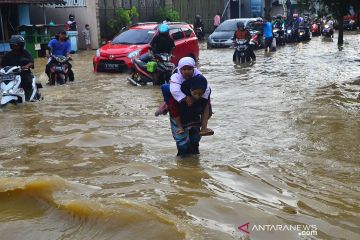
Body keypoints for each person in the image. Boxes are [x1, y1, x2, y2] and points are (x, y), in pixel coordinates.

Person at [155, 57, 213, 137]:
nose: (187, 71)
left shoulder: (199, 76)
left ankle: (204, 127)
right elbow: (174, 90)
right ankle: (166, 104)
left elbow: (206, 89)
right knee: (166, 90)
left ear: (193, 69)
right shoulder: (176, 76)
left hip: (194, 92)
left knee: (207, 103)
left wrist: (201, 99)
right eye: (184, 69)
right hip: (179, 91)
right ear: (180, 69)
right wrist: (185, 98)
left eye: (189, 69)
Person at [0, 35, 34, 100]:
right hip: (10, 75)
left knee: (27, 82)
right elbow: (2, 65)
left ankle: (28, 98)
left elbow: (31, 62)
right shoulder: (7, 55)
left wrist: (25, 67)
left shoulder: (25, 52)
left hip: (24, 73)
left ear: (21, 45)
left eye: (16, 45)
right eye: (13, 45)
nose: (14, 46)